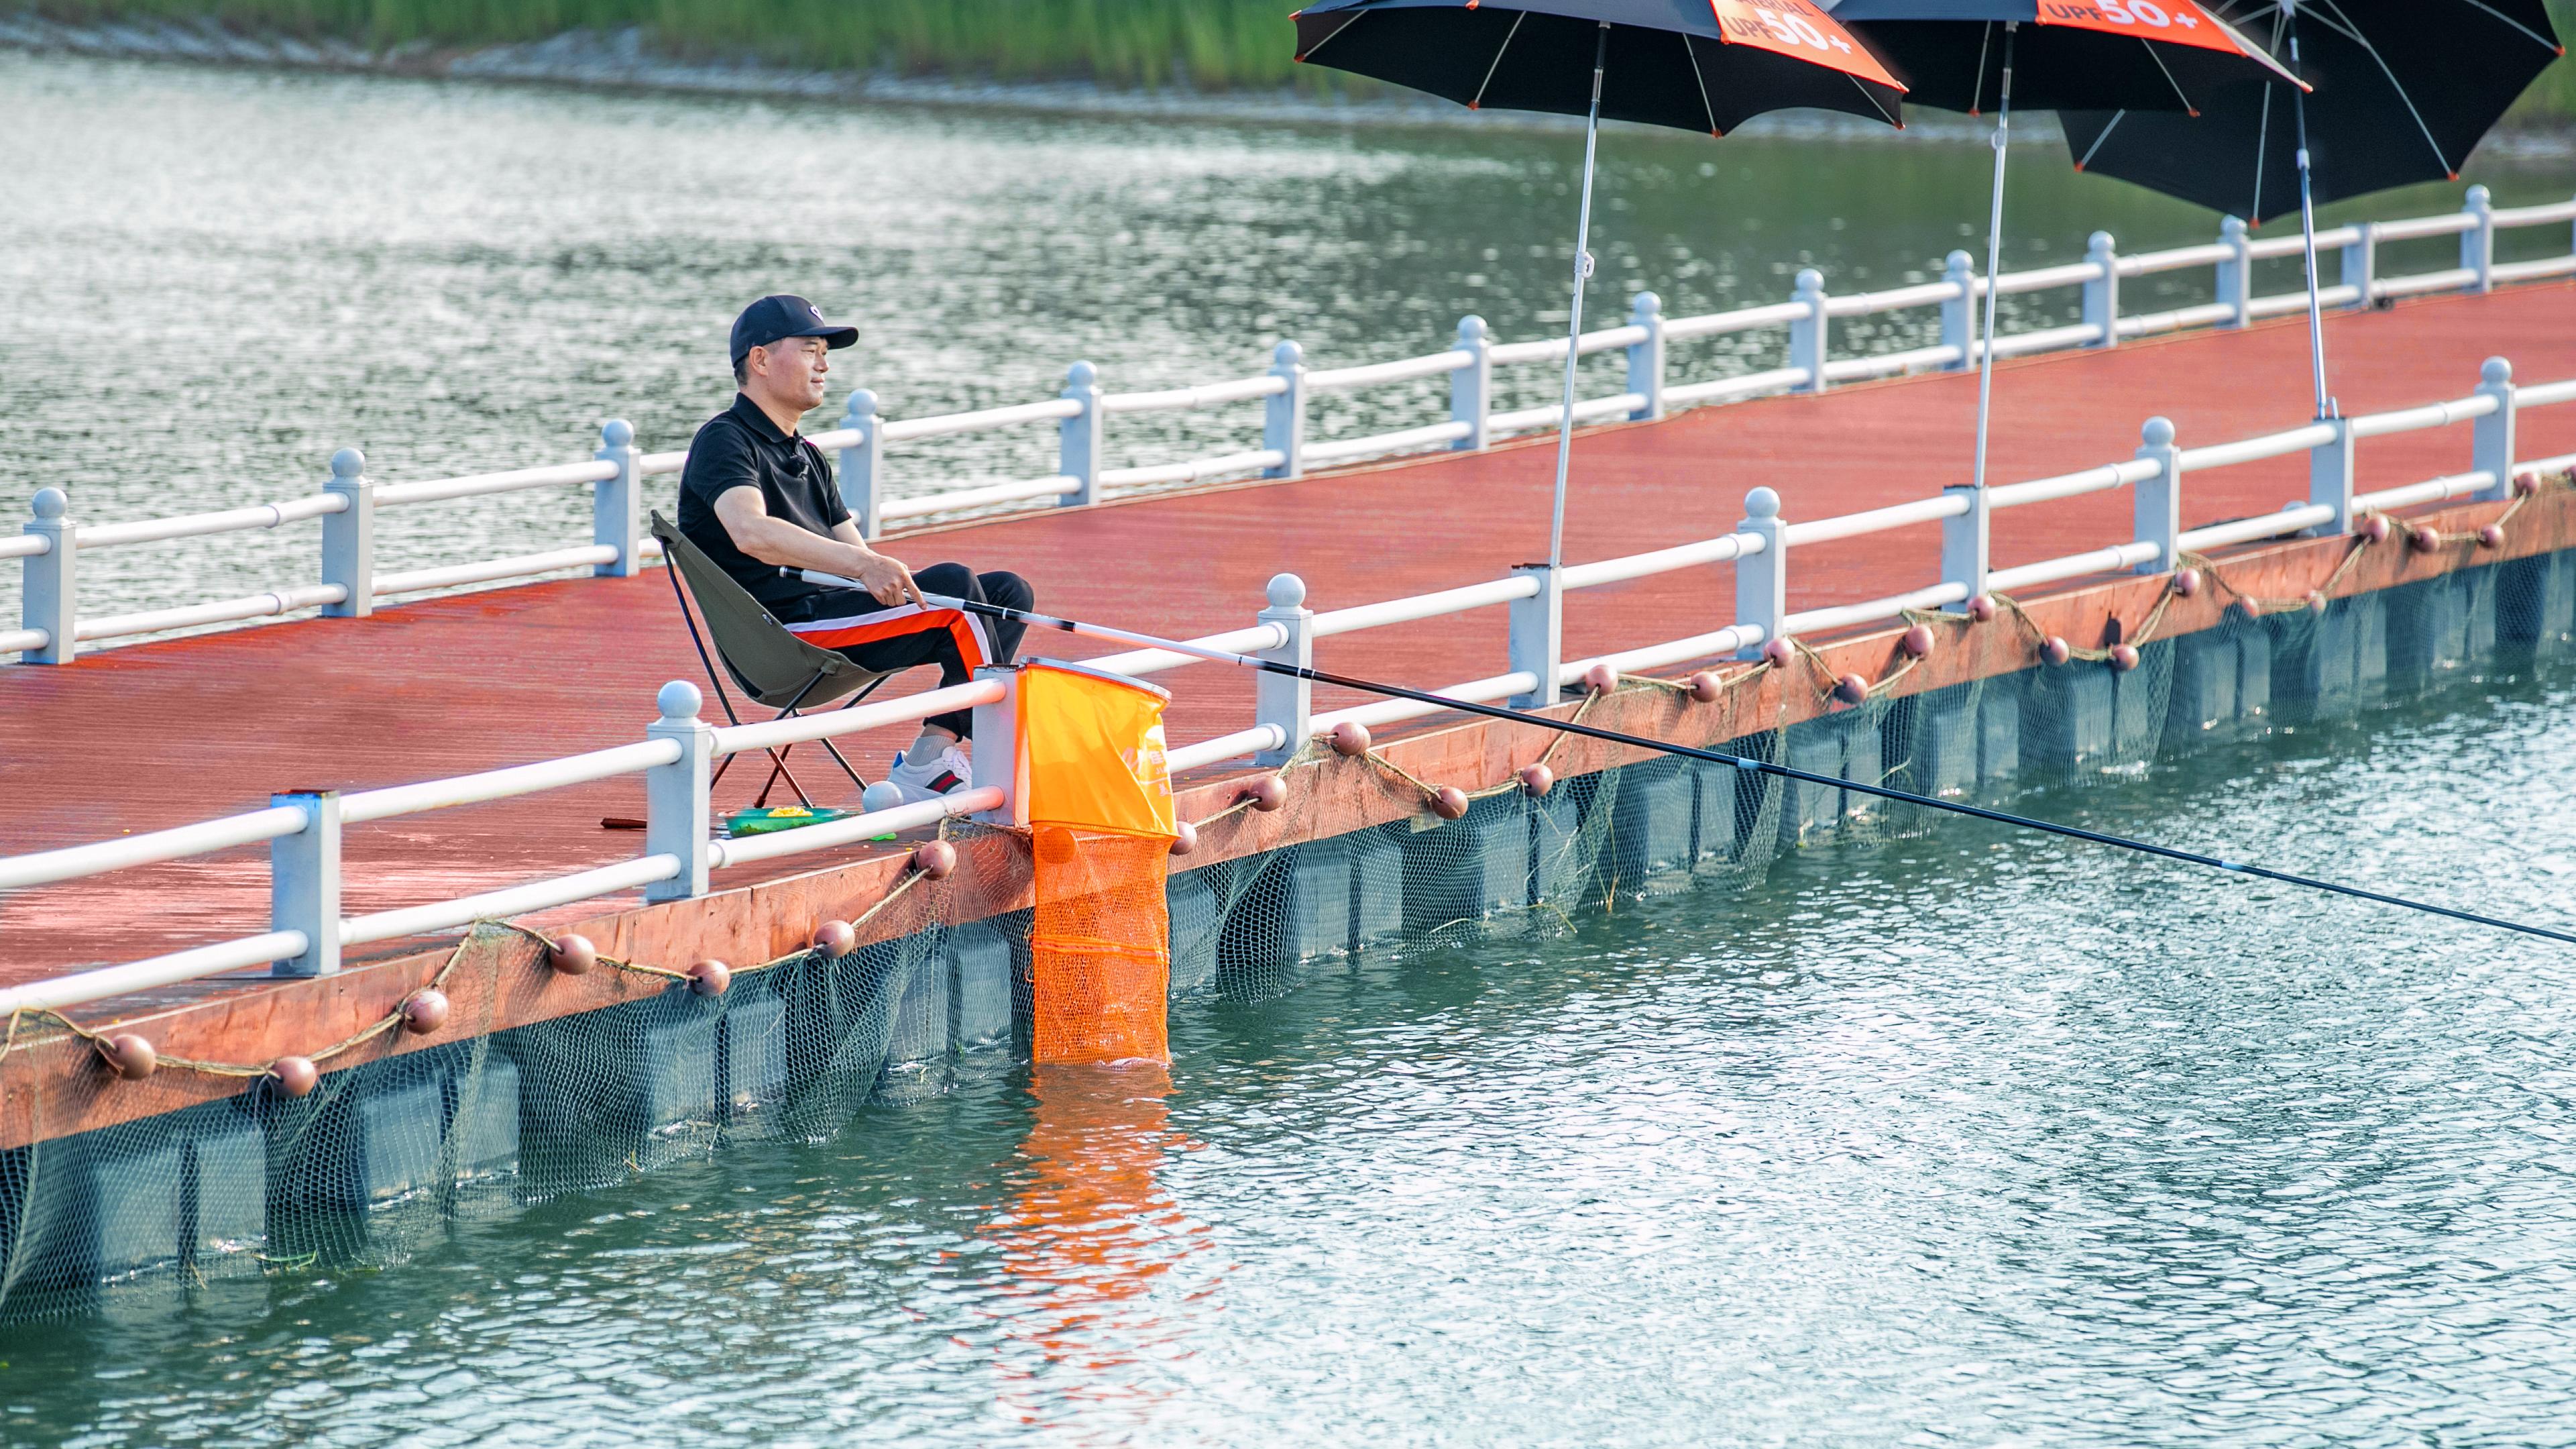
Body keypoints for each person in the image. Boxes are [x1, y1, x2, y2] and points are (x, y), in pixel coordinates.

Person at [677, 294, 1033, 802]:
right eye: (808, 349)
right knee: (956, 590)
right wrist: (866, 565)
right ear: (759, 360)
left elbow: (858, 560)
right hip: (784, 637)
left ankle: (931, 755)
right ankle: (1001, 768)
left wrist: (872, 569)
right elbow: (750, 532)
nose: (823, 364)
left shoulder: (809, 456)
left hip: (831, 619)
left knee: (1003, 593)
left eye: (825, 352)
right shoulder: (725, 440)